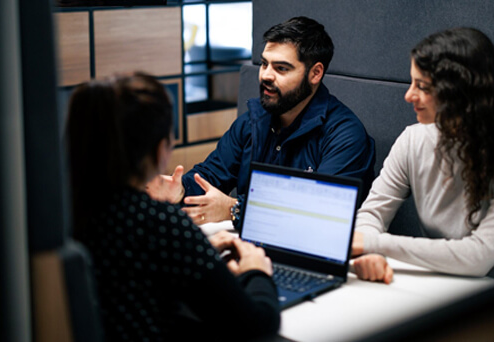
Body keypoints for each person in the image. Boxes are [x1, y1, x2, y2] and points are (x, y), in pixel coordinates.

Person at [66, 73, 280, 341]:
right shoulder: (158, 223)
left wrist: (198, 252)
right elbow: (257, 324)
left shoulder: (64, 213)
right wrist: (256, 269)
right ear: (159, 150)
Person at [351, 27, 494, 282]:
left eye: (422, 86)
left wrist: (374, 244)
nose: (408, 95)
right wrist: (368, 255)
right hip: (440, 281)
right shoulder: (413, 139)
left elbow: (478, 256)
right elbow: (371, 214)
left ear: (460, 95)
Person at [146, 16, 376, 228]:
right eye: (264, 64)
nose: (265, 75)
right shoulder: (252, 122)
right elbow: (211, 176)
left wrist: (234, 209)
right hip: (248, 247)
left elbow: (317, 213)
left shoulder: (346, 135)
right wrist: (181, 190)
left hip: (311, 260)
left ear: (315, 73)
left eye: (281, 68)